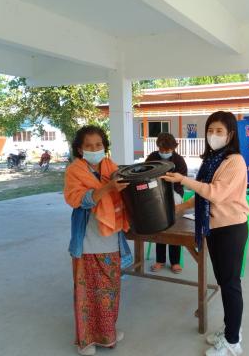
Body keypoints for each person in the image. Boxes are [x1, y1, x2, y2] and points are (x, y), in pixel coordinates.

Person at [162, 111, 249, 356]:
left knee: (231, 284)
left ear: (230, 134)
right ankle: (231, 329)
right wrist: (179, 208)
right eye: (210, 130)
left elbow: (215, 193)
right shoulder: (213, 160)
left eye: (219, 131)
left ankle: (233, 342)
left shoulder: (234, 161)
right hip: (214, 227)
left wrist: (183, 179)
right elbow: (202, 195)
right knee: (223, 283)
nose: (213, 135)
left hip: (230, 229)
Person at [63, 125, 130, 356]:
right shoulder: (75, 170)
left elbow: (123, 195)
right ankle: (86, 340)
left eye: (98, 145)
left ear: (105, 147)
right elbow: (78, 200)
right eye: (89, 146)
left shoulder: (110, 167)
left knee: (109, 291)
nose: (94, 149)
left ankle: (107, 333)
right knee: (87, 293)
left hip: (111, 238)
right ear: (80, 149)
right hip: (88, 241)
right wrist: (108, 187)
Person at [146, 132, 188, 274]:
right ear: (158, 147)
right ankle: (160, 260)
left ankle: (175, 262)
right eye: (162, 150)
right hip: (155, 193)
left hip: (174, 194)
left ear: (174, 148)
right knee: (160, 227)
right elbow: (145, 175)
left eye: (168, 150)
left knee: (174, 228)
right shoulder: (152, 157)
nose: (164, 153)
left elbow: (182, 181)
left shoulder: (179, 161)